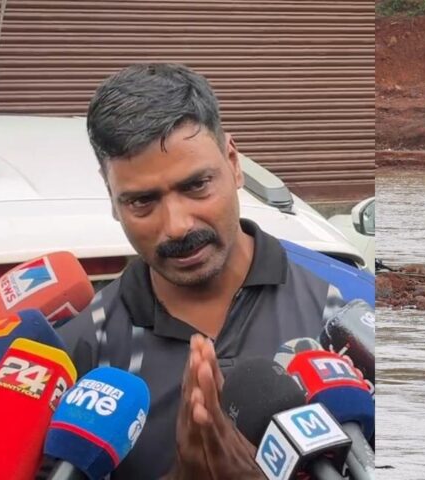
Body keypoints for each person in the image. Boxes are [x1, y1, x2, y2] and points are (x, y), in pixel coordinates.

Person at [54, 64, 372, 479]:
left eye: (196, 185)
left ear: (234, 162)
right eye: (141, 202)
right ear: (111, 199)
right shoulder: (78, 351)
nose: (177, 226)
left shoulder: (350, 320)